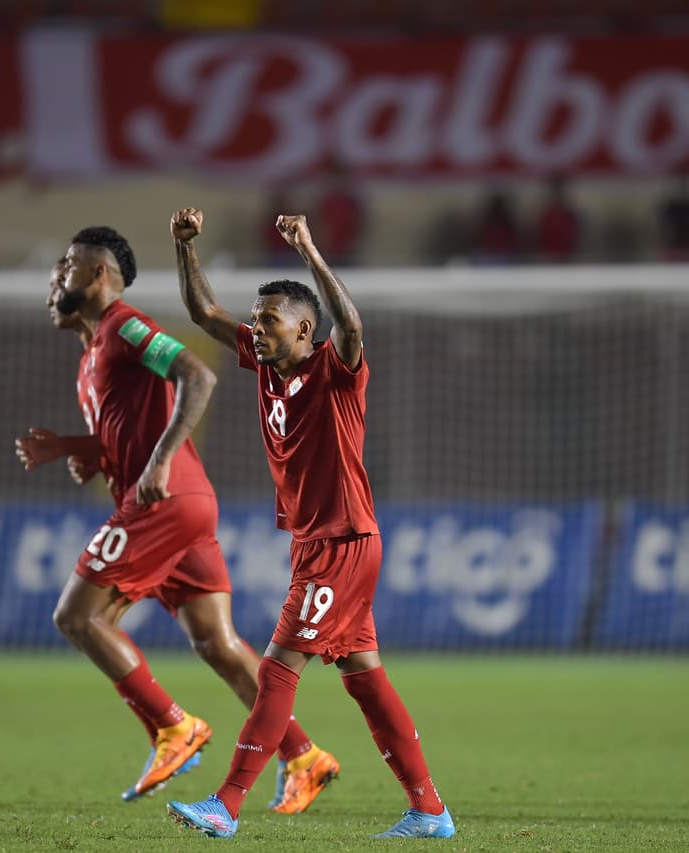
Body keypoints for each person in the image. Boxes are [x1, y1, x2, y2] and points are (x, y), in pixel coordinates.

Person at [15, 232, 339, 810]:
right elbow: (126, 438)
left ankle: (172, 727)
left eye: (66, 265)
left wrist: (161, 459)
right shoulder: (91, 356)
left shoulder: (126, 328)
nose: (55, 278)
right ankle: (304, 756)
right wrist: (76, 448)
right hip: (184, 506)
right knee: (217, 642)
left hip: (165, 501)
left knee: (77, 616)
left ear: (97, 274)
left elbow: (199, 374)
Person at [165, 208, 455, 839]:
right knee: (366, 680)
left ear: (304, 331)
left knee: (276, 669)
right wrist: (185, 248)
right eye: (257, 318)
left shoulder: (336, 371)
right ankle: (429, 809)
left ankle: (226, 804)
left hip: (343, 542)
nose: (256, 328)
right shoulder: (270, 366)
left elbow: (351, 324)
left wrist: (310, 253)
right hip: (318, 542)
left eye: (268, 320)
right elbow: (202, 315)